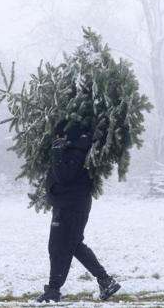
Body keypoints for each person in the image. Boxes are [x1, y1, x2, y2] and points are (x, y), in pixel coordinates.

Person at [35, 120, 121, 303]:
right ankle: (105, 281)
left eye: (57, 136)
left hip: (71, 207)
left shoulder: (76, 151)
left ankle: (53, 290)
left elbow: (64, 176)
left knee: (58, 248)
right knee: (74, 245)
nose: (55, 139)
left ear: (65, 136)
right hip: (68, 205)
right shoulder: (75, 148)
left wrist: (57, 152)